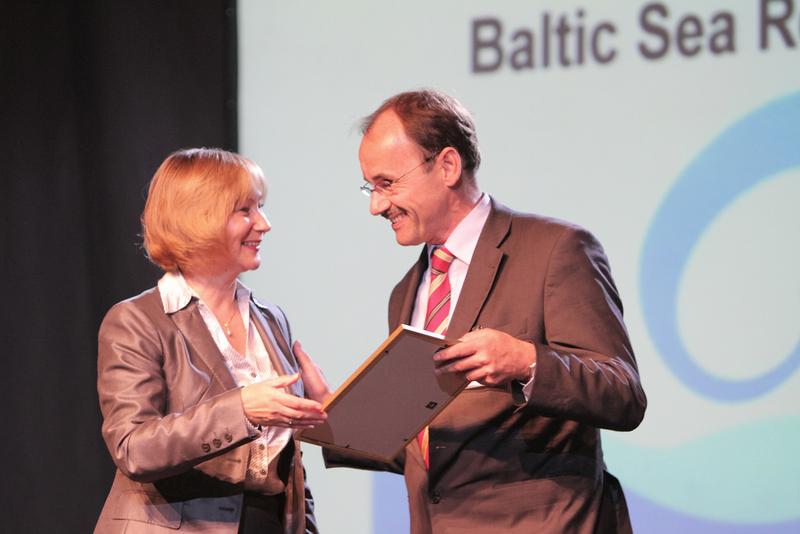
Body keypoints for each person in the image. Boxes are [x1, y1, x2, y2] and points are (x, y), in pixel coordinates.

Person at [325, 90, 647, 533]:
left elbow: (622, 392)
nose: (376, 205)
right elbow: (429, 445)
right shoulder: (406, 291)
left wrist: (526, 362)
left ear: (448, 166)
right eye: (370, 187)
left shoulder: (554, 250)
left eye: (387, 183)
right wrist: (333, 419)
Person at [95, 148, 330, 534]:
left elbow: (287, 461)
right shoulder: (137, 320)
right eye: (246, 211)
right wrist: (243, 409)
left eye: (261, 207)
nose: (264, 224)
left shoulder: (272, 319)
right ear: (197, 219)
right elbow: (132, 447)